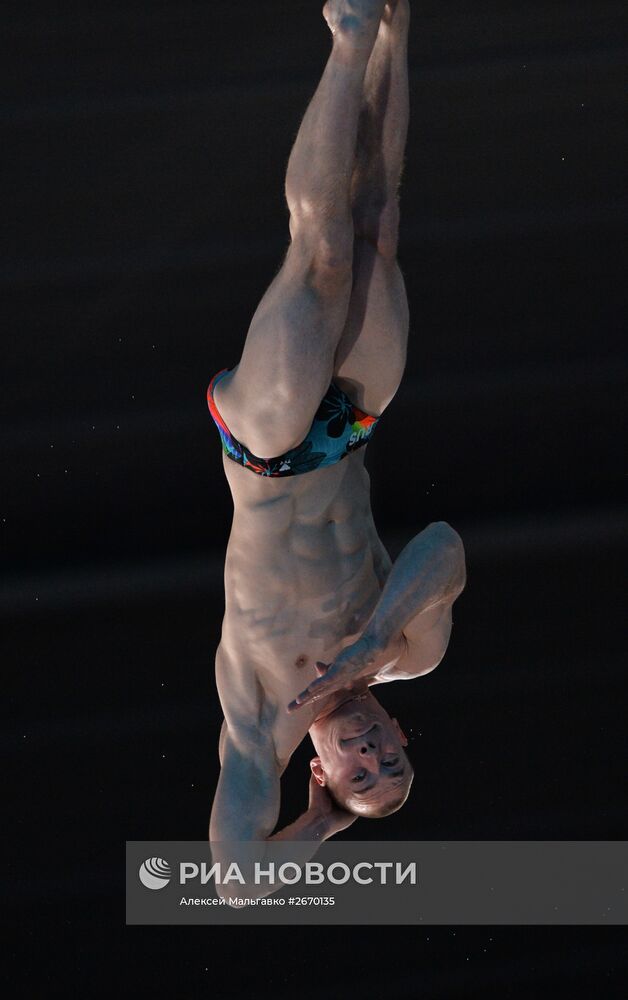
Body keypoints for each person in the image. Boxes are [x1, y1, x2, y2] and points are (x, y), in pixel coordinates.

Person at [207, 0, 465, 850]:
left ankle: (347, 38)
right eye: (392, 759)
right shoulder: (412, 652)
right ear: (400, 733)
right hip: (350, 428)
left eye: (360, 774)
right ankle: (394, 26)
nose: (371, 754)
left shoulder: (259, 722)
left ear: (324, 771)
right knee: (377, 226)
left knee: (320, 256)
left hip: (269, 451)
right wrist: (377, 637)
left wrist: (322, 822)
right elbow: (443, 546)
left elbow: (235, 884)